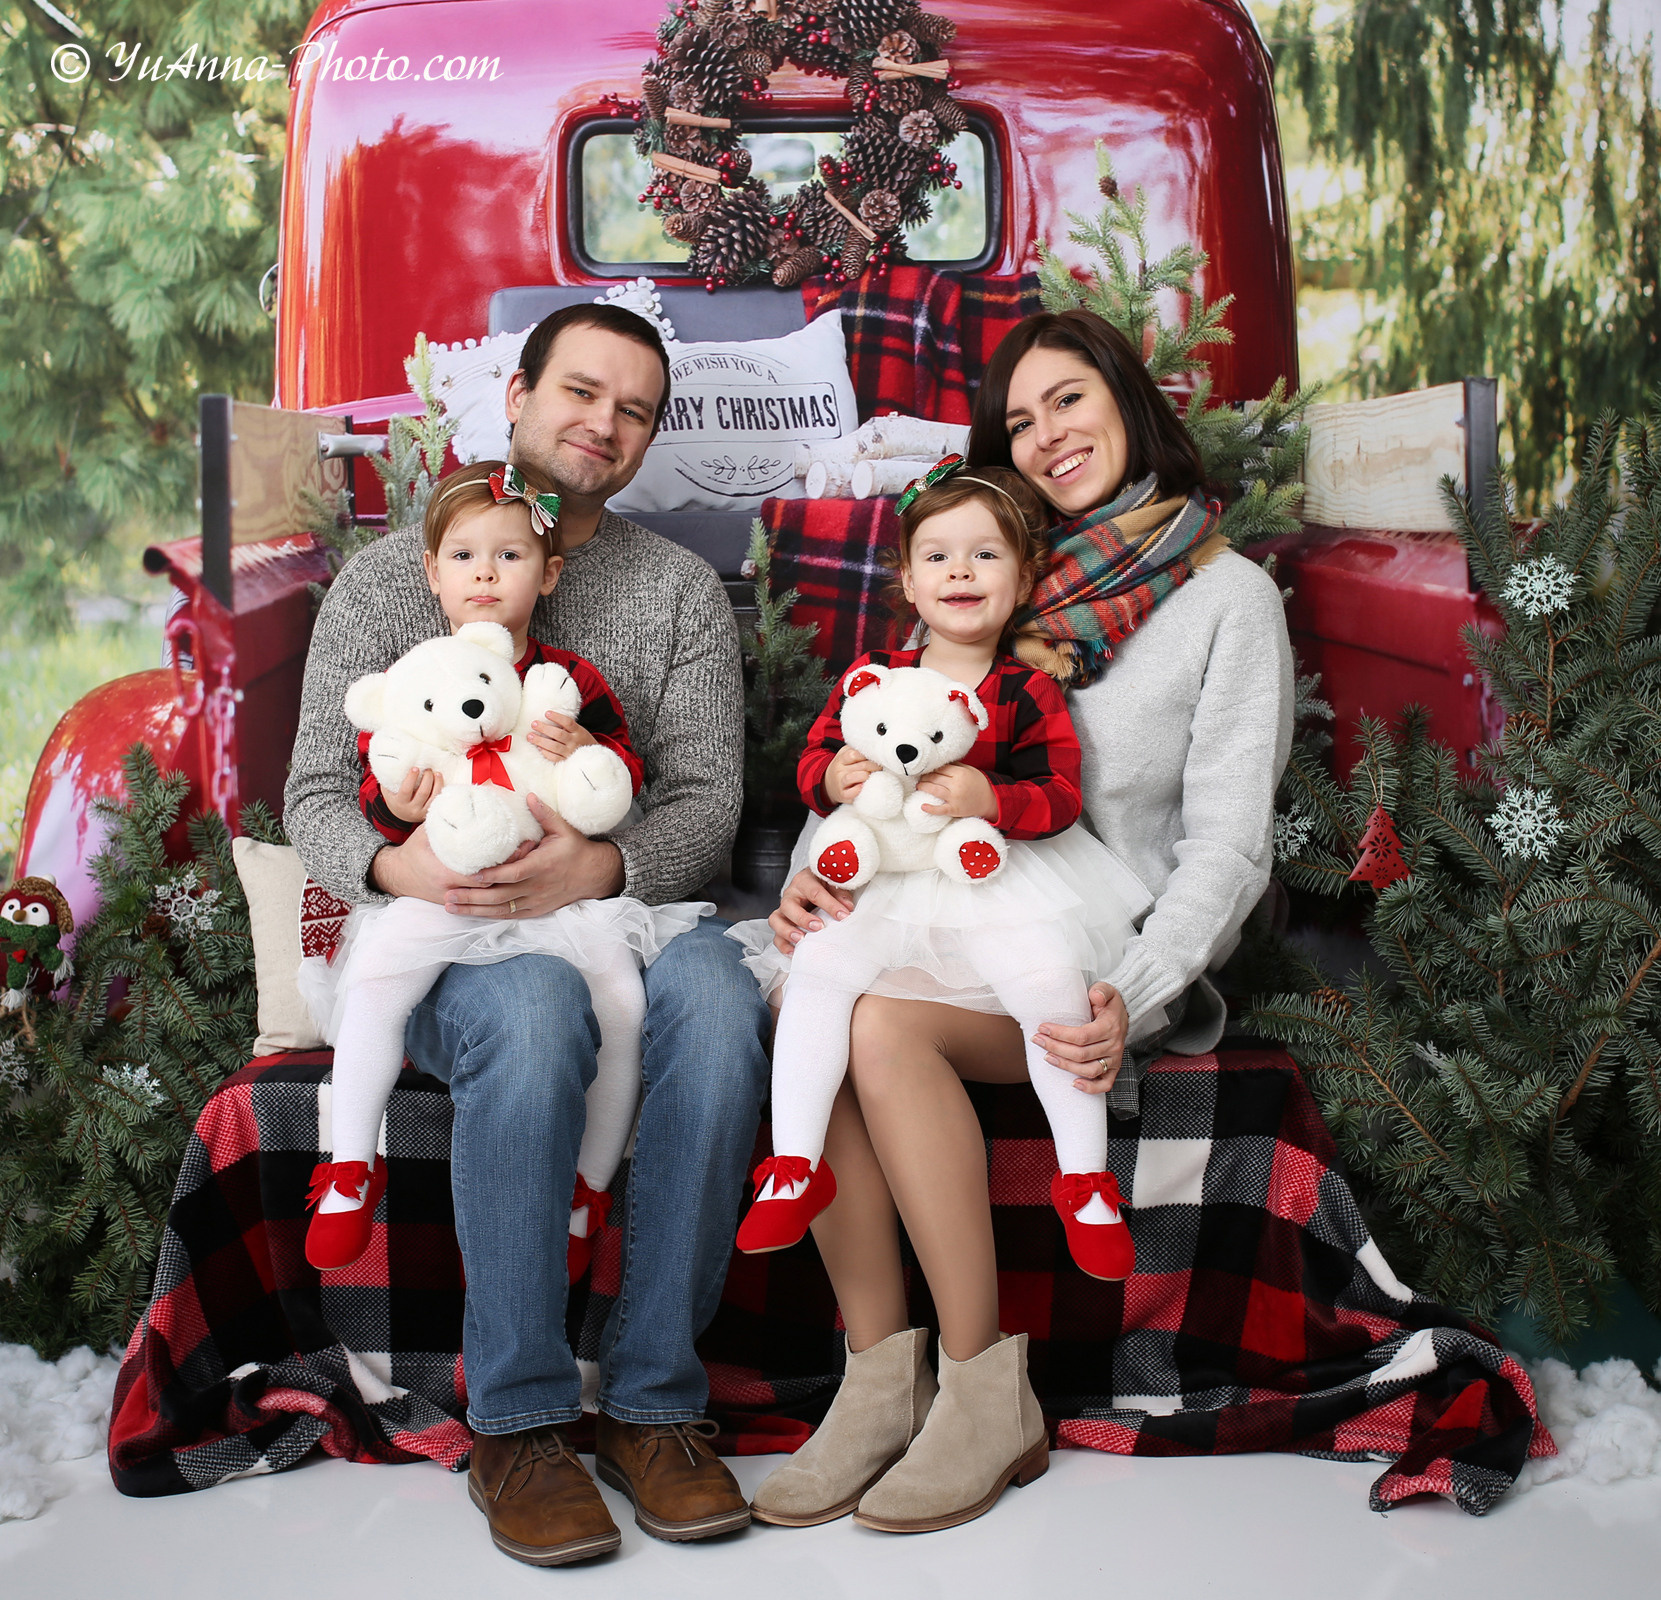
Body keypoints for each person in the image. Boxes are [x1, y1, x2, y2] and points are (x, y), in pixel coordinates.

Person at [751, 308, 1293, 1534]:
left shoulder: (1224, 599)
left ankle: (985, 1384)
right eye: (1018, 419)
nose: (1046, 435)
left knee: (882, 1028)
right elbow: (878, 761)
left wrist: (1135, 995)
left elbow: (1226, 845)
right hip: (941, 917)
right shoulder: (990, 570)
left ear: (1125, 400)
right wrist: (811, 875)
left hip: (1094, 953)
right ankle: (876, 1383)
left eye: (1068, 401)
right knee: (813, 1004)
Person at [285, 303, 770, 1567]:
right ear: (516, 395)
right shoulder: (392, 576)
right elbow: (311, 799)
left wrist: (596, 864)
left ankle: (656, 1404)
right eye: (580, 391)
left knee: (721, 1009)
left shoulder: (672, 588)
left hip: (629, 903)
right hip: (451, 935)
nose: (600, 423)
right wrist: (402, 864)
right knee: (532, 1011)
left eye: (633, 409)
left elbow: (710, 805)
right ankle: (518, 1418)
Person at [730, 461, 1149, 1288]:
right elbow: (817, 756)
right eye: (938, 556)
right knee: (816, 970)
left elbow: (1060, 793)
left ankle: (1086, 1182)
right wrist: (833, 780)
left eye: (985, 555)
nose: (960, 571)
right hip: (887, 880)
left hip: (996, 879)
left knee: (1049, 989)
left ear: (1024, 577)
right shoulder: (874, 675)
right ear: (909, 582)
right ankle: (793, 1167)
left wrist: (991, 796)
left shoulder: (1025, 689)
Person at [297, 459, 709, 1283]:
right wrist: (401, 817)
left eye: (510, 556)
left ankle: (588, 1189)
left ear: (549, 572)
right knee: (377, 976)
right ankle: (349, 1166)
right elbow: (374, 784)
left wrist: (593, 753)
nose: (485, 573)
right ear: (431, 573)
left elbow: (620, 782)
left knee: (623, 1004)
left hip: (559, 896)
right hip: (444, 887)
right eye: (463, 557)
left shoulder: (570, 682)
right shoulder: (418, 677)